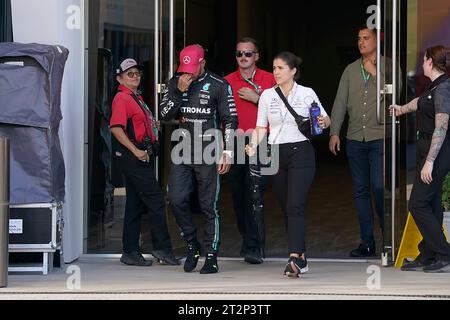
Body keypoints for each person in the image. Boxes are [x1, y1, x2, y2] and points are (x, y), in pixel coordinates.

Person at [246, 52, 331, 277]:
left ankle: (293, 256)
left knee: (295, 205)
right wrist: (253, 145)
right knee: (286, 207)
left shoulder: (306, 93)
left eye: (280, 68)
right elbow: (261, 127)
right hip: (276, 154)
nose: (276, 72)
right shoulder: (266, 96)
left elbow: (325, 119)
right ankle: (301, 256)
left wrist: (322, 121)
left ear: (293, 71)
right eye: (274, 68)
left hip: (301, 153)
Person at [160, 44, 238, 274]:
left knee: (208, 205)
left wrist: (229, 152)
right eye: (184, 68)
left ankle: (211, 254)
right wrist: (177, 92)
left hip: (209, 151)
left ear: (202, 63)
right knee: (175, 198)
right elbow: (164, 115)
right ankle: (192, 244)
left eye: (192, 68)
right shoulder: (176, 83)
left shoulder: (219, 85)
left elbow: (230, 120)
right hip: (182, 150)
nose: (188, 73)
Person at [110, 58, 179, 267]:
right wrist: (137, 151)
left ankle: (130, 251)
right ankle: (162, 249)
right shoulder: (122, 97)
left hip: (138, 157)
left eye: (137, 73)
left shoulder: (135, 97)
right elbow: (116, 128)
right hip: (134, 159)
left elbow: (135, 124)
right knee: (157, 201)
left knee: (134, 204)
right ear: (119, 77)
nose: (135, 77)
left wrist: (152, 124)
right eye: (130, 74)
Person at [391, 45, 450, 273]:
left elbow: (441, 128)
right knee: (432, 203)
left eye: (423, 59)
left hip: (438, 152)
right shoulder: (434, 86)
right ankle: (428, 254)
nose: (420, 63)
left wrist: (430, 161)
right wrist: (401, 109)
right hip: (427, 150)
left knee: (417, 203)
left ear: (429, 62)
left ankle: (443, 252)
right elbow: (421, 102)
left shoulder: (444, 88)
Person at [329, 27, 387, 257]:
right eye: (359, 39)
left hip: (380, 137)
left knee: (379, 187)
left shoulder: (389, 66)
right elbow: (340, 102)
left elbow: (398, 94)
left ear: (377, 41)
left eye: (366, 38)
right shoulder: (350, 70)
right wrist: (334, 132)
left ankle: (388, 239)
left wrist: (374, 73)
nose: (361, 42)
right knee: (361, 191)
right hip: (355, 139)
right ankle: (367, 242)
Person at [224, 37, 276, 264]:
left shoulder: (270, 79)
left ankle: (255, 246)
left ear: (257, 56)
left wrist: (258, 99)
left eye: (248, 54)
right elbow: (221, 117)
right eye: (239, 54)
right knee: (238, 196)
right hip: (234, 143)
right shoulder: (225, 82)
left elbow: (281, 111)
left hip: (261, 141)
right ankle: (248, 238)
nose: (243, 58)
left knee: (254, 193)